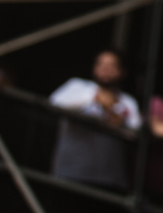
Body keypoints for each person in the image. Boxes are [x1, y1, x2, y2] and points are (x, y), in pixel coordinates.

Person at [49, 49, 141, 191]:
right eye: (101, 64)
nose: (105, 69)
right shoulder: (77, 86)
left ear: (122, 71)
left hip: (109, 180)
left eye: (112, 65)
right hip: (70, 173)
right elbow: (53, 103)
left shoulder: (128, 101)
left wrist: (118, 119)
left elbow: (136, 132)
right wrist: (94, 98)